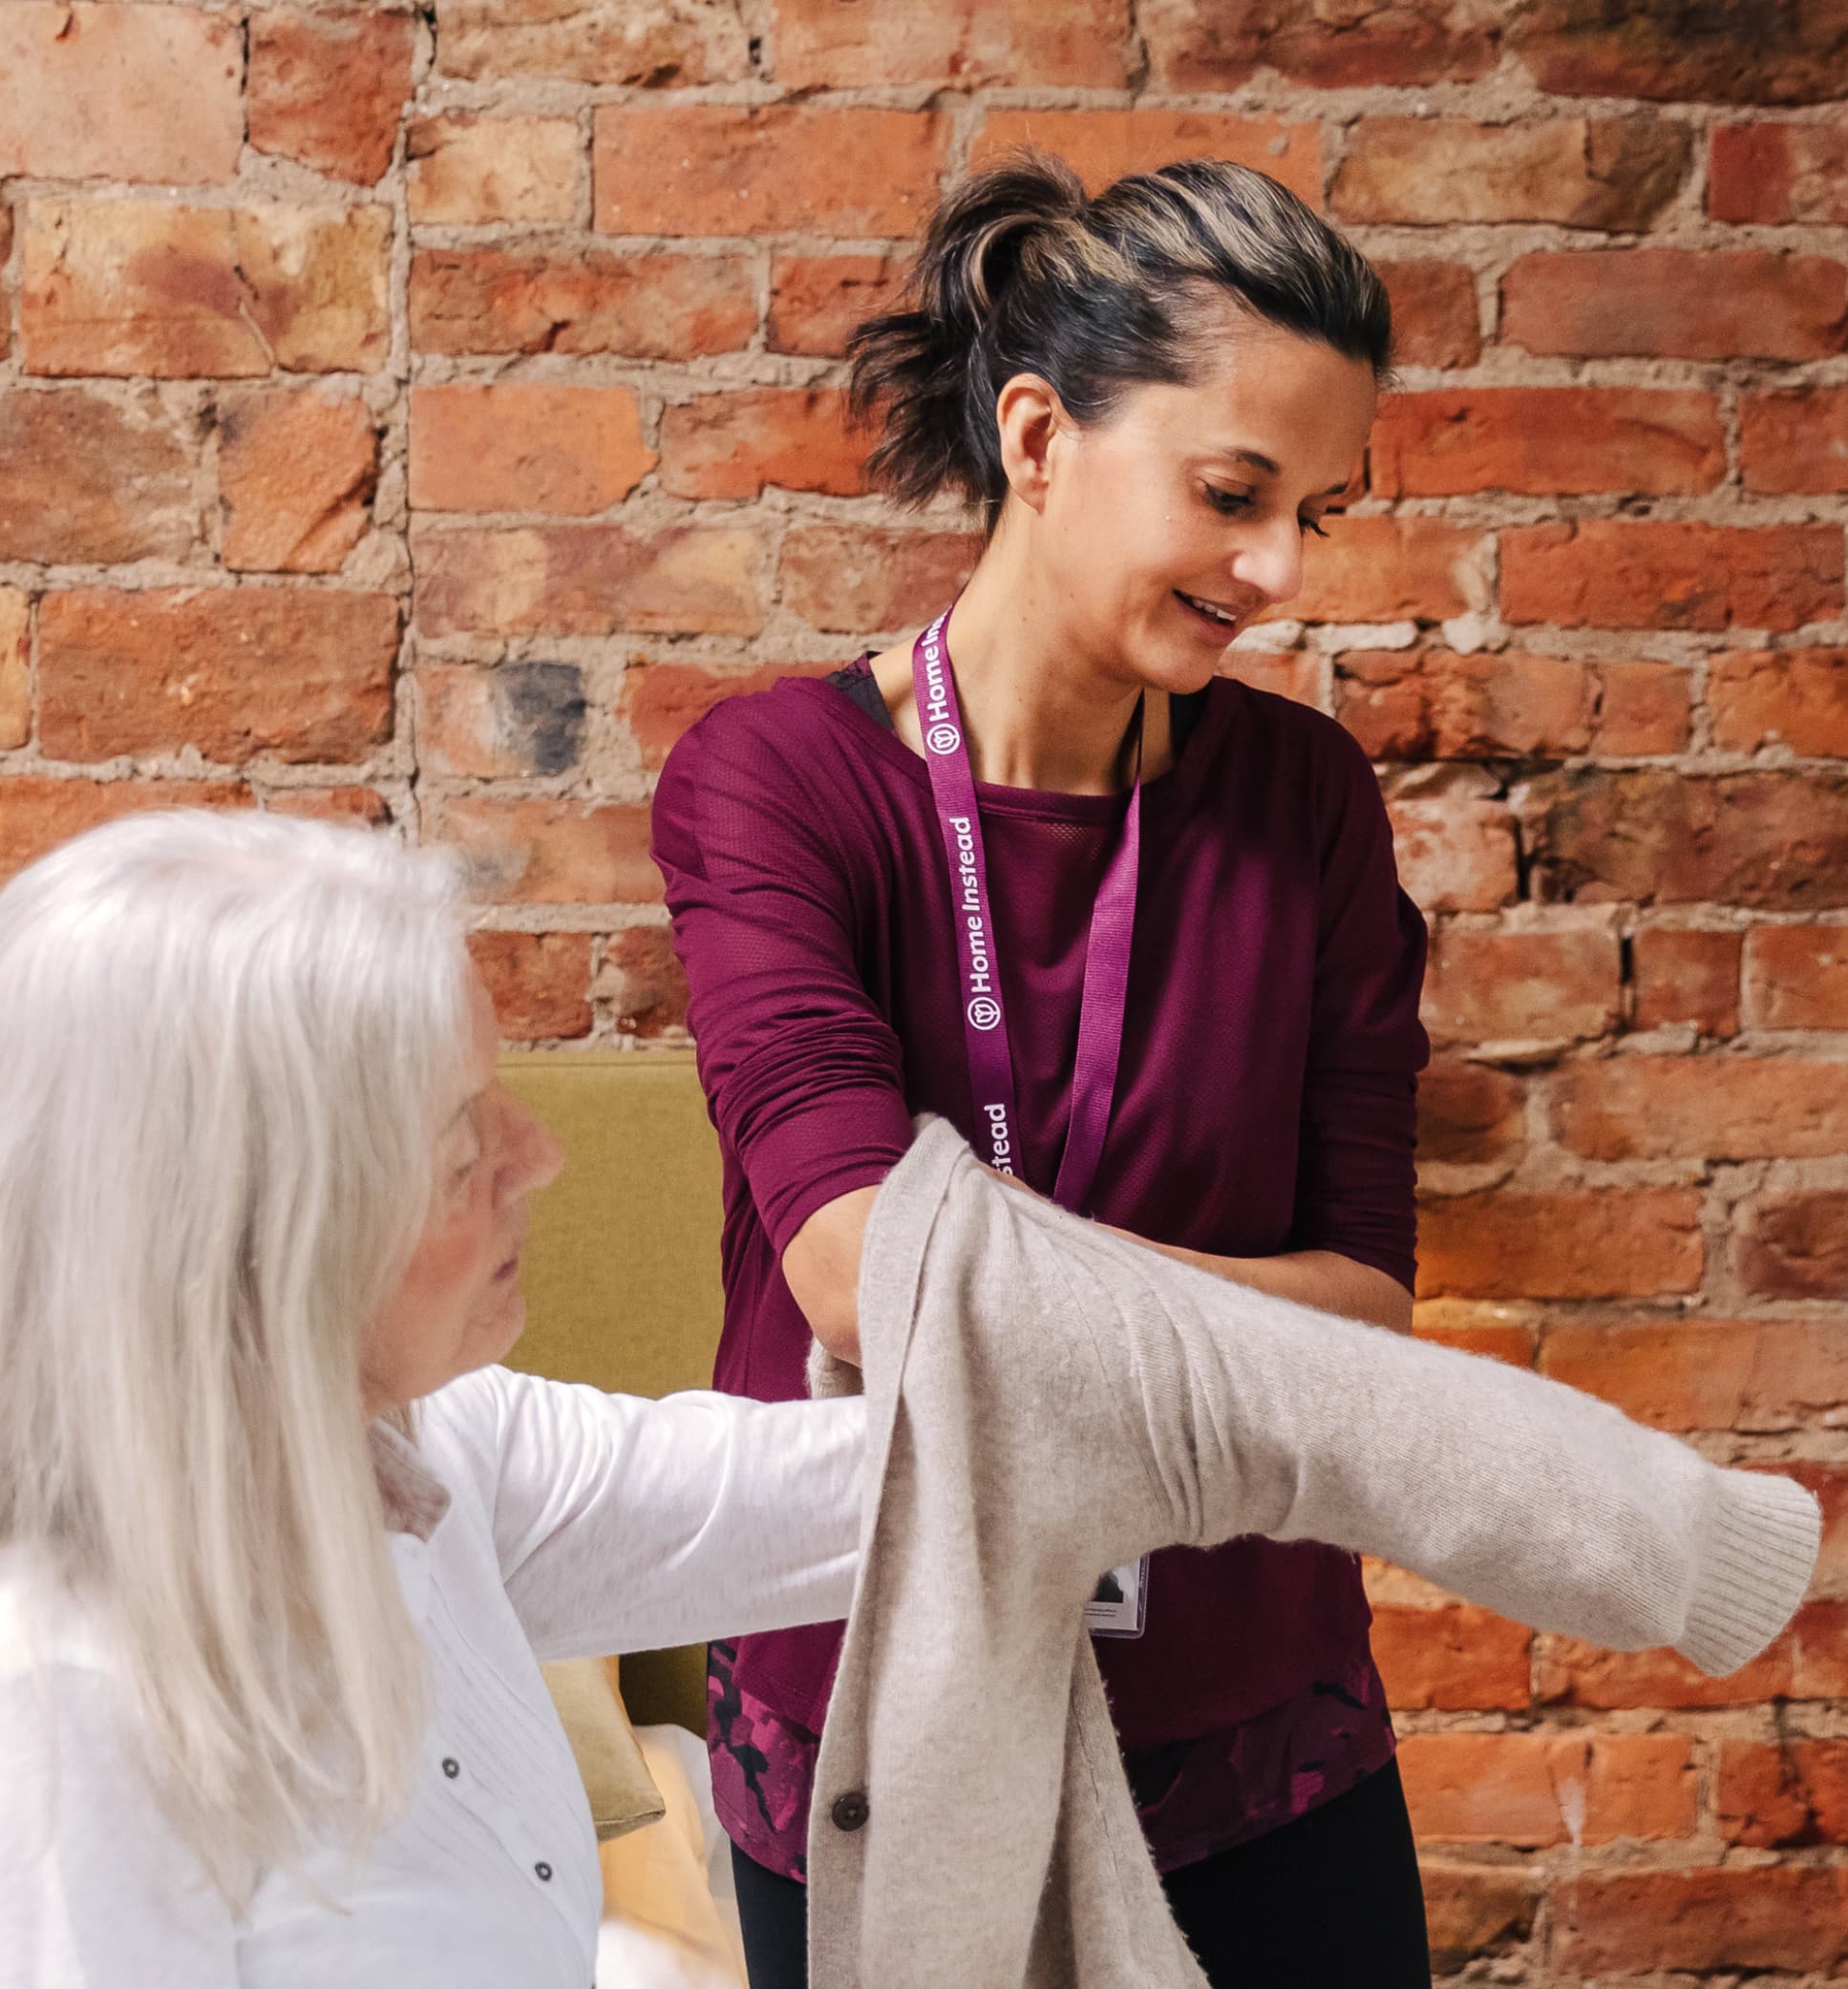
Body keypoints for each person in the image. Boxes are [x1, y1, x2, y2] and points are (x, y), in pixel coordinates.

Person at [651, 153, 1434, 1987]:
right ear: (1033, 433)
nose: (1278, 570)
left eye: (1316, 508)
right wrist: (1219, 1327)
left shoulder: (1304, 799)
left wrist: (984, 1273)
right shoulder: (776, 779)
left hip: (1250, 1707)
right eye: (1232, 493)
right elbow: (848, 1264)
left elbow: (1366, 1307)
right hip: (875, 1691)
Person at [0, 811, 868, 1988]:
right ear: (269, 1244)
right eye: (462, 1149)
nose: (541, 1153)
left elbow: (801, 1496)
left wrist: (1172, 1416)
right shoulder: (63, 1724)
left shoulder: (414, 1439)